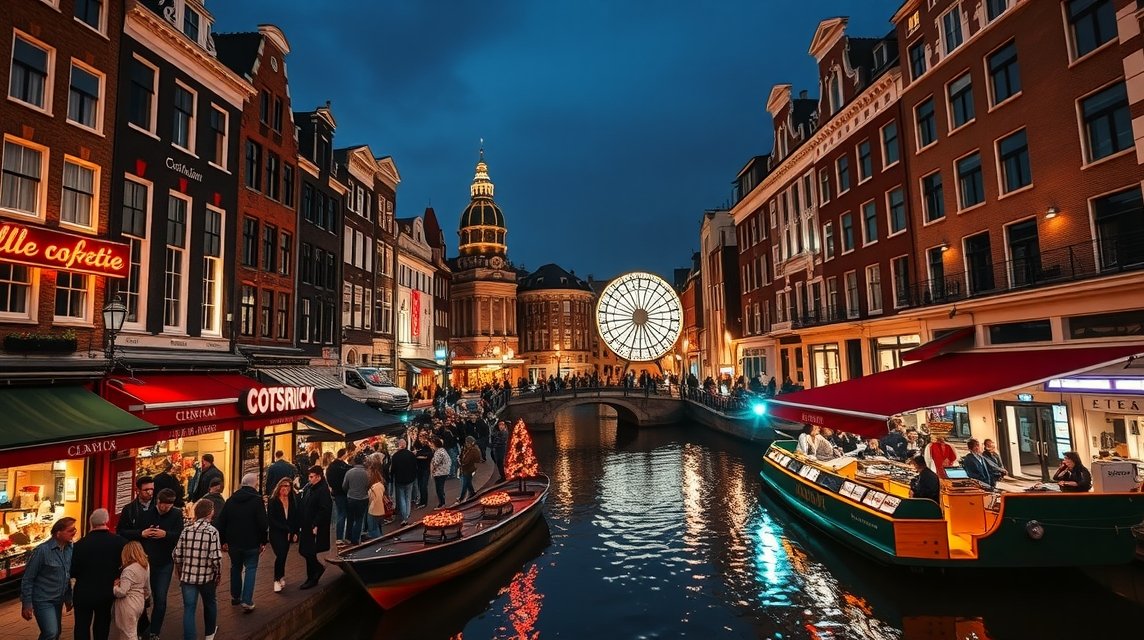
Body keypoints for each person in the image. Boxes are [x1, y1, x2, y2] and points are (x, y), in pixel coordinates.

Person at [70, 508, 127, 640]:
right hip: (106, 591)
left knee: (82, 626)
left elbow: (73, 571)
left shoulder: (79, 545)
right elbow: (125, 565)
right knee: (102, 624)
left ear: (91, 523)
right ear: (106, 521)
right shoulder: (119, 542)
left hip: (83, 591)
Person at [215, 473, 268, 613]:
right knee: (250, 569)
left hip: (234, 543)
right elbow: (263, 524)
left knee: (235, 567)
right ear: (254, 484)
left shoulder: (231, 500)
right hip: (252, 542)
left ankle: (235, 596)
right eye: (257, 483)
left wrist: (224, 540)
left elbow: (221, 522)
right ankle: (247, 600)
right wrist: (264, 541)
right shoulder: (257, 501)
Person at [172, 499, 222, 640]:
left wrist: (180, 569)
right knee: (210, 604)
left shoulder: (186, 530)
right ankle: (209, 634)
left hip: (188, 577)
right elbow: (216, 558)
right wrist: (218, 574)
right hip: (206, 577)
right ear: (210, 512)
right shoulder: (212, 532)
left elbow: (177, 553)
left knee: (189, 608)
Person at [20, 517, 76, 640]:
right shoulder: (42, 551)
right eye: (71, 530)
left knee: (56, 633)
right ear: (58, 533)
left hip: (58, 598)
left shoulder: (70, 549)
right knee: (51, 632)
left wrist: (68, 598)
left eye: (75, 530)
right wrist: (27, 604)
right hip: (43, 599)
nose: (74, 532)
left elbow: (66, 575)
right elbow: (28, 578)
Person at [141, 488, 183, 640]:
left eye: (169, 506)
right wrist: (144, 533)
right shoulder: (148, 513)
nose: (166, 508)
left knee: (161, 598)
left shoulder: (177, 514)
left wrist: (165, 534)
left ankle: (154, 632)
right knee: (143, 598)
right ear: (158, 502)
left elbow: (179, 535)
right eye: (163, 505)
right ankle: (143, 627)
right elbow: (139, 533)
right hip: (146, 562)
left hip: (165, 562)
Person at [298, 466, 332, 590]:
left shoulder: (322, 490)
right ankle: (314, 573)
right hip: (307, 524)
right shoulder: (310, 487)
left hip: (313, 525)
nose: (309, 479)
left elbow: (325, 509)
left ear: (319, 477)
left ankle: (313, 576)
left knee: (308, 551)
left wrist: (316, 524)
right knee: (306, 550)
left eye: (312, 477)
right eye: (309, 476)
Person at [112, 541, 151, 640]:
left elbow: (122, 592)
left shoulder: (128, 570)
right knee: (131, 630)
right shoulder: (145, 566)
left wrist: (115, 587)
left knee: (129, 633)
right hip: (139, 602)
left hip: (128, 603)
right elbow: (147, 588)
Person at [267, 477, 298, 594]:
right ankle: (276, 579)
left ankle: (281, 576)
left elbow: (295, 517)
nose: (286, 488)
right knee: (280, 554)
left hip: (288, 533)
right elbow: (271, 520)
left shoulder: (292, 500)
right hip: (276, 532)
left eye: (288, 486)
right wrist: (286, 528)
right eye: (284, 486)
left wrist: (295, 532)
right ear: (279, 487)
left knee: (284, 555)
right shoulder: (273, 501)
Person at [116, 476, 155, 542]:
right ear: (138, 490)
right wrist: (140, 533)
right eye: (146, 490)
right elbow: (120, 532)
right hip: (136, 546)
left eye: (152, 489)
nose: (149, 492)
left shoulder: (159, 505)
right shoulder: (129, 509)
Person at [325, 448, 351, 544]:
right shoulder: (345, 467)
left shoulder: (331, 466)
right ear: (344, 455)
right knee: (345, 514)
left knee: (340, 513)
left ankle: (339, 537)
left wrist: (333, 487)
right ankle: (346, 536)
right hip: (344, 492)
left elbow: (328, 479)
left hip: (336, 493)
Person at [342, 453, 370, 545]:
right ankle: (355, 539)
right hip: (363, 498)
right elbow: (369, 485)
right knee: (359, 519)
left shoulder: (349, 472)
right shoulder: (367, 473)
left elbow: (344, 486)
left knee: (350, 518)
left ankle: (348, 537)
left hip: (351, 498)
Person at [389, 439, 418, 526]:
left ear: (398, 445)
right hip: (410, 479)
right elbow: (415, 466)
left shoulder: (395, 456)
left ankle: (404, 515)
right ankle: (407, 514)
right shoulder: (410, 454)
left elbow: (393, 470)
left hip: (399, 480)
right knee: (408, 497)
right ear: (405, 445)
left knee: (401, 498)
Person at [457, 435, 482, 503]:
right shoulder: (465, 448)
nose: (467, 444)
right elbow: (462, 456)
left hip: (469, 468)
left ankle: (462, 498)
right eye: (466, 442)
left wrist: (462, 461)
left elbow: (472, 460)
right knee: (468, 482)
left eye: (468, 443)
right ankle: (472, 493)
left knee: (465, 484)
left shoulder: (474, 450)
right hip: (465, 468)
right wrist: (460, 458)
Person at [366, 464, 388, 540]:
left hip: (374, 511)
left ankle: (381, 542)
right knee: (378, 527)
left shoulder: (374, 488)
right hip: (381, 510)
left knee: (373, 530)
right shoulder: (381, 485)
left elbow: (372, 499)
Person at [430, 436, 452, 508]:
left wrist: (432, 469)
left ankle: (442, 503)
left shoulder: (438, 452)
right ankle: (442, 502)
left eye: (432, 444)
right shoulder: (442, 450)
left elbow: (435, 463)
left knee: (439, 488)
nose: (431, 445)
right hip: (444, 471)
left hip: (440, 473)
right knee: (440, 488)